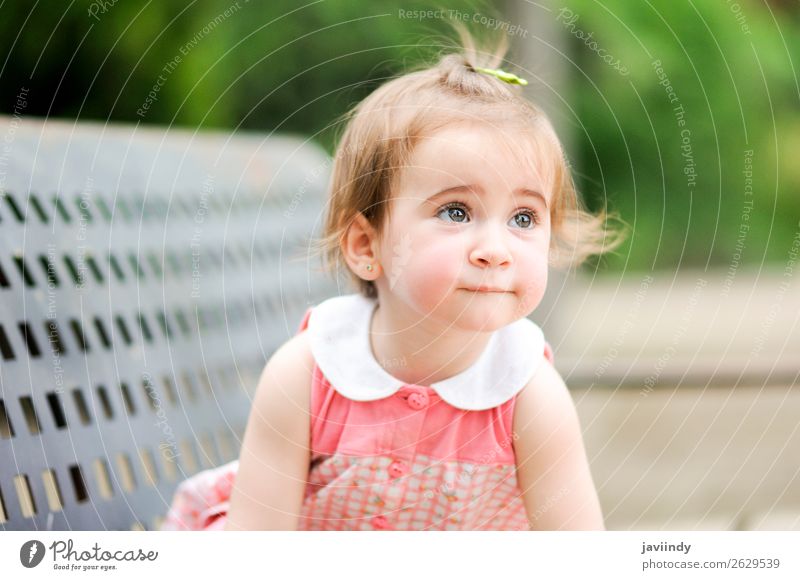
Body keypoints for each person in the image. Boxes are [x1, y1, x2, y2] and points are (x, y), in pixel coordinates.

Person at [161, 24, 625, 532]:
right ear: (366, 246)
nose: (496, 251)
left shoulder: (528, 394)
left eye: (523, 219)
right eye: (455, 211)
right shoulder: (309, 376)